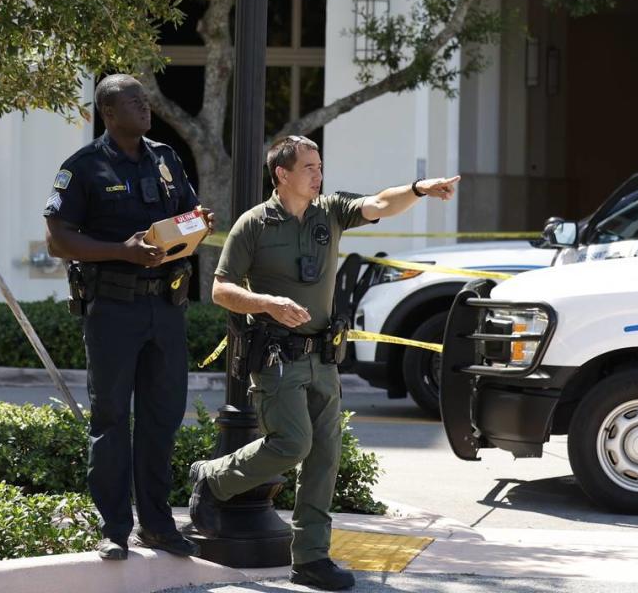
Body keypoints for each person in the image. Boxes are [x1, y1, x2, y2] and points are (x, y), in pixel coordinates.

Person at [190, 135, 459, 590]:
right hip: (276, 355)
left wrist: (418, 188)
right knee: (292, 444)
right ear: (283, 174)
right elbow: (221, 289)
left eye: (320, 166)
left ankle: (311, 558)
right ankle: (213, 476)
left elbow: (378, 203)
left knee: (324, 456)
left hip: (323, 355)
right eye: (310, 167)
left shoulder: (329, 212)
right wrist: (268, 303)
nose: (319, 174)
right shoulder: (254, 224)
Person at [43, 74, 214, 561]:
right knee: (112, 419)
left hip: (166, 308)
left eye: (146, 100)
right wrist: (121, 251)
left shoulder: (165, 158)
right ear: (109, 112)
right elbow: (58, 238)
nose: (146, 108)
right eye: (135, 102)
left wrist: (197, 223)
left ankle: (157, 525)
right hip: (113, 309)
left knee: (162, 419)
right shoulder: (84, 167)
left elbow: (186, 213)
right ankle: (114, 527)